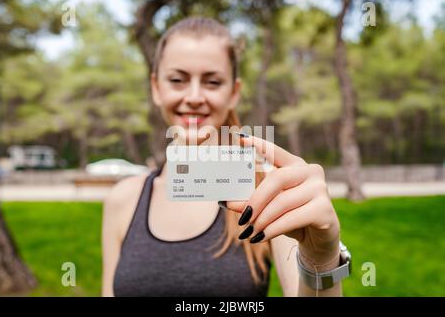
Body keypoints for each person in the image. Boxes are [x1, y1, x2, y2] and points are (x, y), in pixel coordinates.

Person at [102, 17, 347, 297]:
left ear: (234, 92)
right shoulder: (123, 200)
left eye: (212, 81)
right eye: (177, 80)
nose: (194, 97)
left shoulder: (267, 192)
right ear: (157, 88)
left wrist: (322, 258)